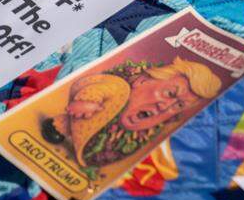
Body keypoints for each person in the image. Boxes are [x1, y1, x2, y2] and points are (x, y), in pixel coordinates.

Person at [41, 57, 222, 169]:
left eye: (179, 105)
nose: (164, 107)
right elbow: (101, 89)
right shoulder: (119, 89)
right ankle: (60, 126)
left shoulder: (146, 134)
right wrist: (87, 101)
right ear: (142, 81)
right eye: (169, 93)